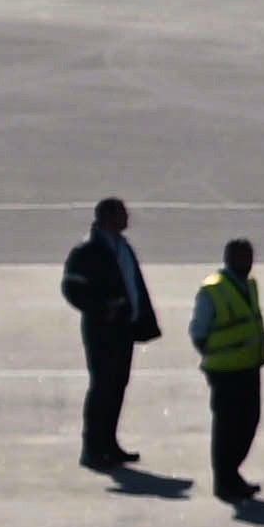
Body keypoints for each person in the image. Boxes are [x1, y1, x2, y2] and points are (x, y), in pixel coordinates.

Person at [62, 195, 153, 470]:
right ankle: (92, 448)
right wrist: (102, 308)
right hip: (102, 330)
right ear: (107, 218)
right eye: (122, 214)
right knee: (102, 387)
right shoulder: (87, 251)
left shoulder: (121, 247)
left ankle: (109, 444)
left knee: (117, 387)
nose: (127, 218)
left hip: (123, 329)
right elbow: (72, 288)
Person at [190, 234, 264, 499]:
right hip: (225, 371)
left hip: (249, 367)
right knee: (227, 427)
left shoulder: (249, 285)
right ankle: (224, 480)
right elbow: (198, 331)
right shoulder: (213, 288)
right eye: (242, 257)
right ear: (229, 258)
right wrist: (216, 355)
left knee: (249, 421)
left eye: (250, 257)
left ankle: (232, 473)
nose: (248, 262)